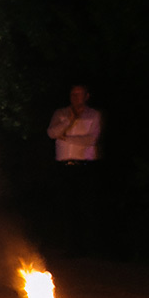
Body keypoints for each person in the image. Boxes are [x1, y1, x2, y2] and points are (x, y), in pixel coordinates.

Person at [46, 84, 103, 251]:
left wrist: (66, 138)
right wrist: (69, 121)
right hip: (63, 166)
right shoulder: (61, 113)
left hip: (85, 166)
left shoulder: (94, 115)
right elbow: (51, 133)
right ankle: (69, 246)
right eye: (73, 94)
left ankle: (87, 246)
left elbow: (91, 140)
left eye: (79, 94)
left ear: (87, 96)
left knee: (85, 206)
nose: (75, 97)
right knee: (66, 207)